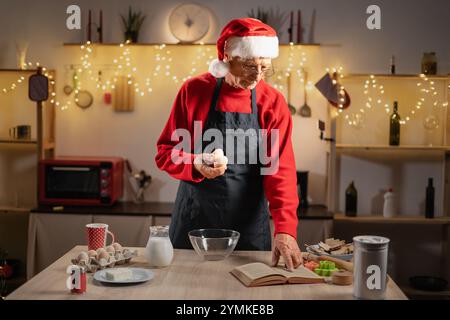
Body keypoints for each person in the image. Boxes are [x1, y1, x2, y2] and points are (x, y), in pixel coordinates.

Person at [155, 18, 302, 270]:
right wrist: (195, 162)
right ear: (226, 55)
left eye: (264, 67)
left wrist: (285, 229)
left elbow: (279, 172)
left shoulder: (272, 103)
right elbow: (166, 154)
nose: (257, 75)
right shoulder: (194, 92)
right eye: (248, 65)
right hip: (194, 225)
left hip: (248, 230)